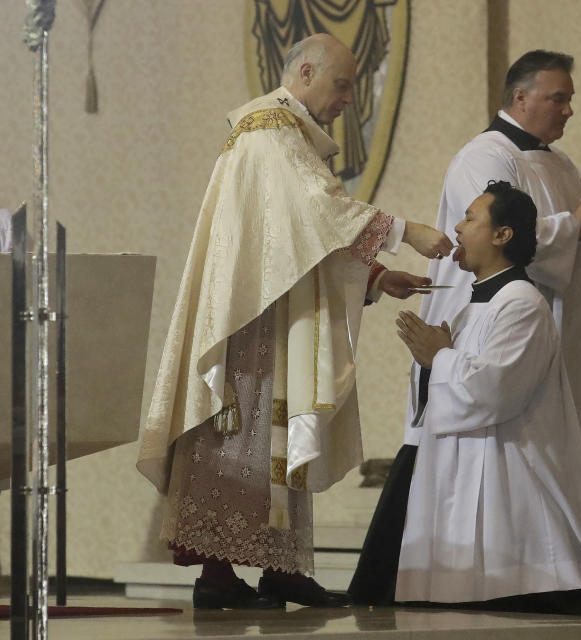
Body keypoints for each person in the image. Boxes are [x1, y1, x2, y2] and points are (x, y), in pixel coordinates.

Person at [136, 34, 452, 610]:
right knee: (243, 439)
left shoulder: (282, 133)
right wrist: (409, 232)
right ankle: (219, 572)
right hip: (250, 317)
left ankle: (276, 569)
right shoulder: (268, 130)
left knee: (273, 437)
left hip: (269, 309)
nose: (350, 100)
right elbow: (319, 208)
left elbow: (303, 237)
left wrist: (379, 278)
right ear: (305, 72)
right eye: (343, 84)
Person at [350, 49, 581, 619]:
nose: (569, 110)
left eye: (570, 98)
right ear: (520, 98)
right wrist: (576, 226)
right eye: (558, 97)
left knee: (575, 437)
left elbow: (573, 248)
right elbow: (503, 236)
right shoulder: (484, 156)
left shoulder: (562, 165)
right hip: (495, 316)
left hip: (556, 321)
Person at [393, 180, 581, 611]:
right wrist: (434, 361)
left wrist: (440, 358)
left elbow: (494, 391)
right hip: (456, 474)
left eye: (470, 218)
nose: (458, 228)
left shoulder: (522, 303)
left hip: (506, 480)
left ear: (503, 235)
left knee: (503, 609)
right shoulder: (471, 308)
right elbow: (447, 393)